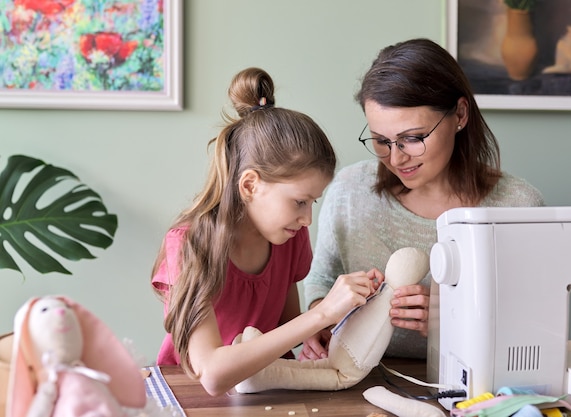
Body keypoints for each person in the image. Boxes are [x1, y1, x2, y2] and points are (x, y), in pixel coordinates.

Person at [300, 38, 544, 361]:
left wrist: (452, 318)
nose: (396, 158)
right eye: (380, 141)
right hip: (358, 383)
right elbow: (321, 281)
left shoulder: (519, 208)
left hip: (475, 392)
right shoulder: (347, 191)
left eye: (412, 138)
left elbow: (537, 327)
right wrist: (321, 321)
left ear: (459, 114)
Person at [151, 67, 382, 396]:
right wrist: (321, 314)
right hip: (190, 398)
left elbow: (284, 329)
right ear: (250, 185)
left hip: (264, 393)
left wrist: (315, 331)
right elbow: (213, 375)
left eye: (312, 202)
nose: (307, 220)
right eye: (300, 201)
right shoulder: (190, 246)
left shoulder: (289, 236)